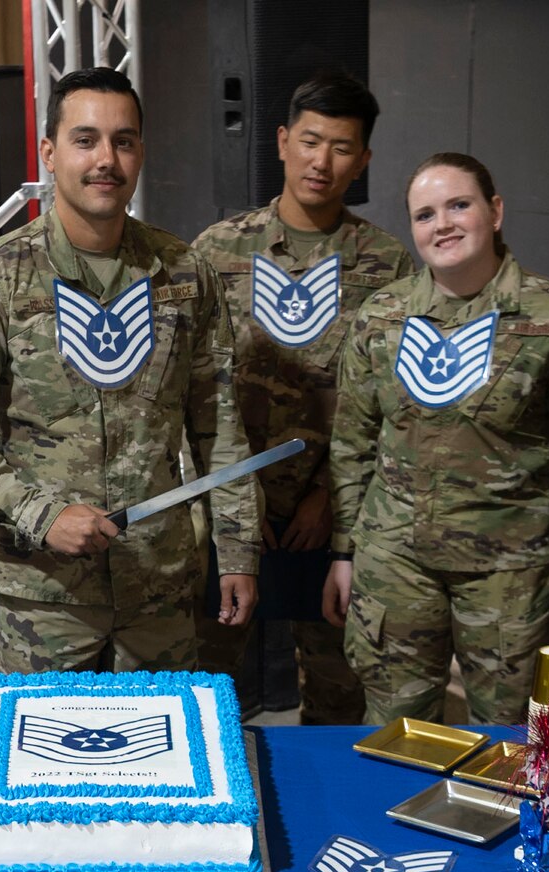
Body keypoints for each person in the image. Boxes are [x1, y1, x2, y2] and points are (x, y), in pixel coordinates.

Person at [0, 67, 258, 673]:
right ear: (49, 153)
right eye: (85, 140)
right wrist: (39, 514)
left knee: (162, 760)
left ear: (141, 153)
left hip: (159, 588)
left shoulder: (185, 274)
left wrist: (237, 550)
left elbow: (219, 426)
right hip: (46, 598)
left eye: (123, 141)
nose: (106, 159)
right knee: (40, 762)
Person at [323, 153, 549, 724]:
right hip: (396, 563)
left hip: (509, 572)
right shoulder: (383, 317)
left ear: (495, 211)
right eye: (424, 215)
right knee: (393, 729)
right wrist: (345, 552)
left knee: (513, 738)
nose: (442, 224)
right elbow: (352, 444)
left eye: (458, 205)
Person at [191, 69, 412, 721]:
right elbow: (199, 392)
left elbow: (391, 401)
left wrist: (326, 496)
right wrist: (236, 501)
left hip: (337, 512)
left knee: (341, 692)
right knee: (211, 690)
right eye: (311, 141)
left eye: (342, 148)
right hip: (233, 511)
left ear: (363, 160)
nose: (323, 161)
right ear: (283, 141)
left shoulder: (388, 264)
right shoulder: (218, 250)